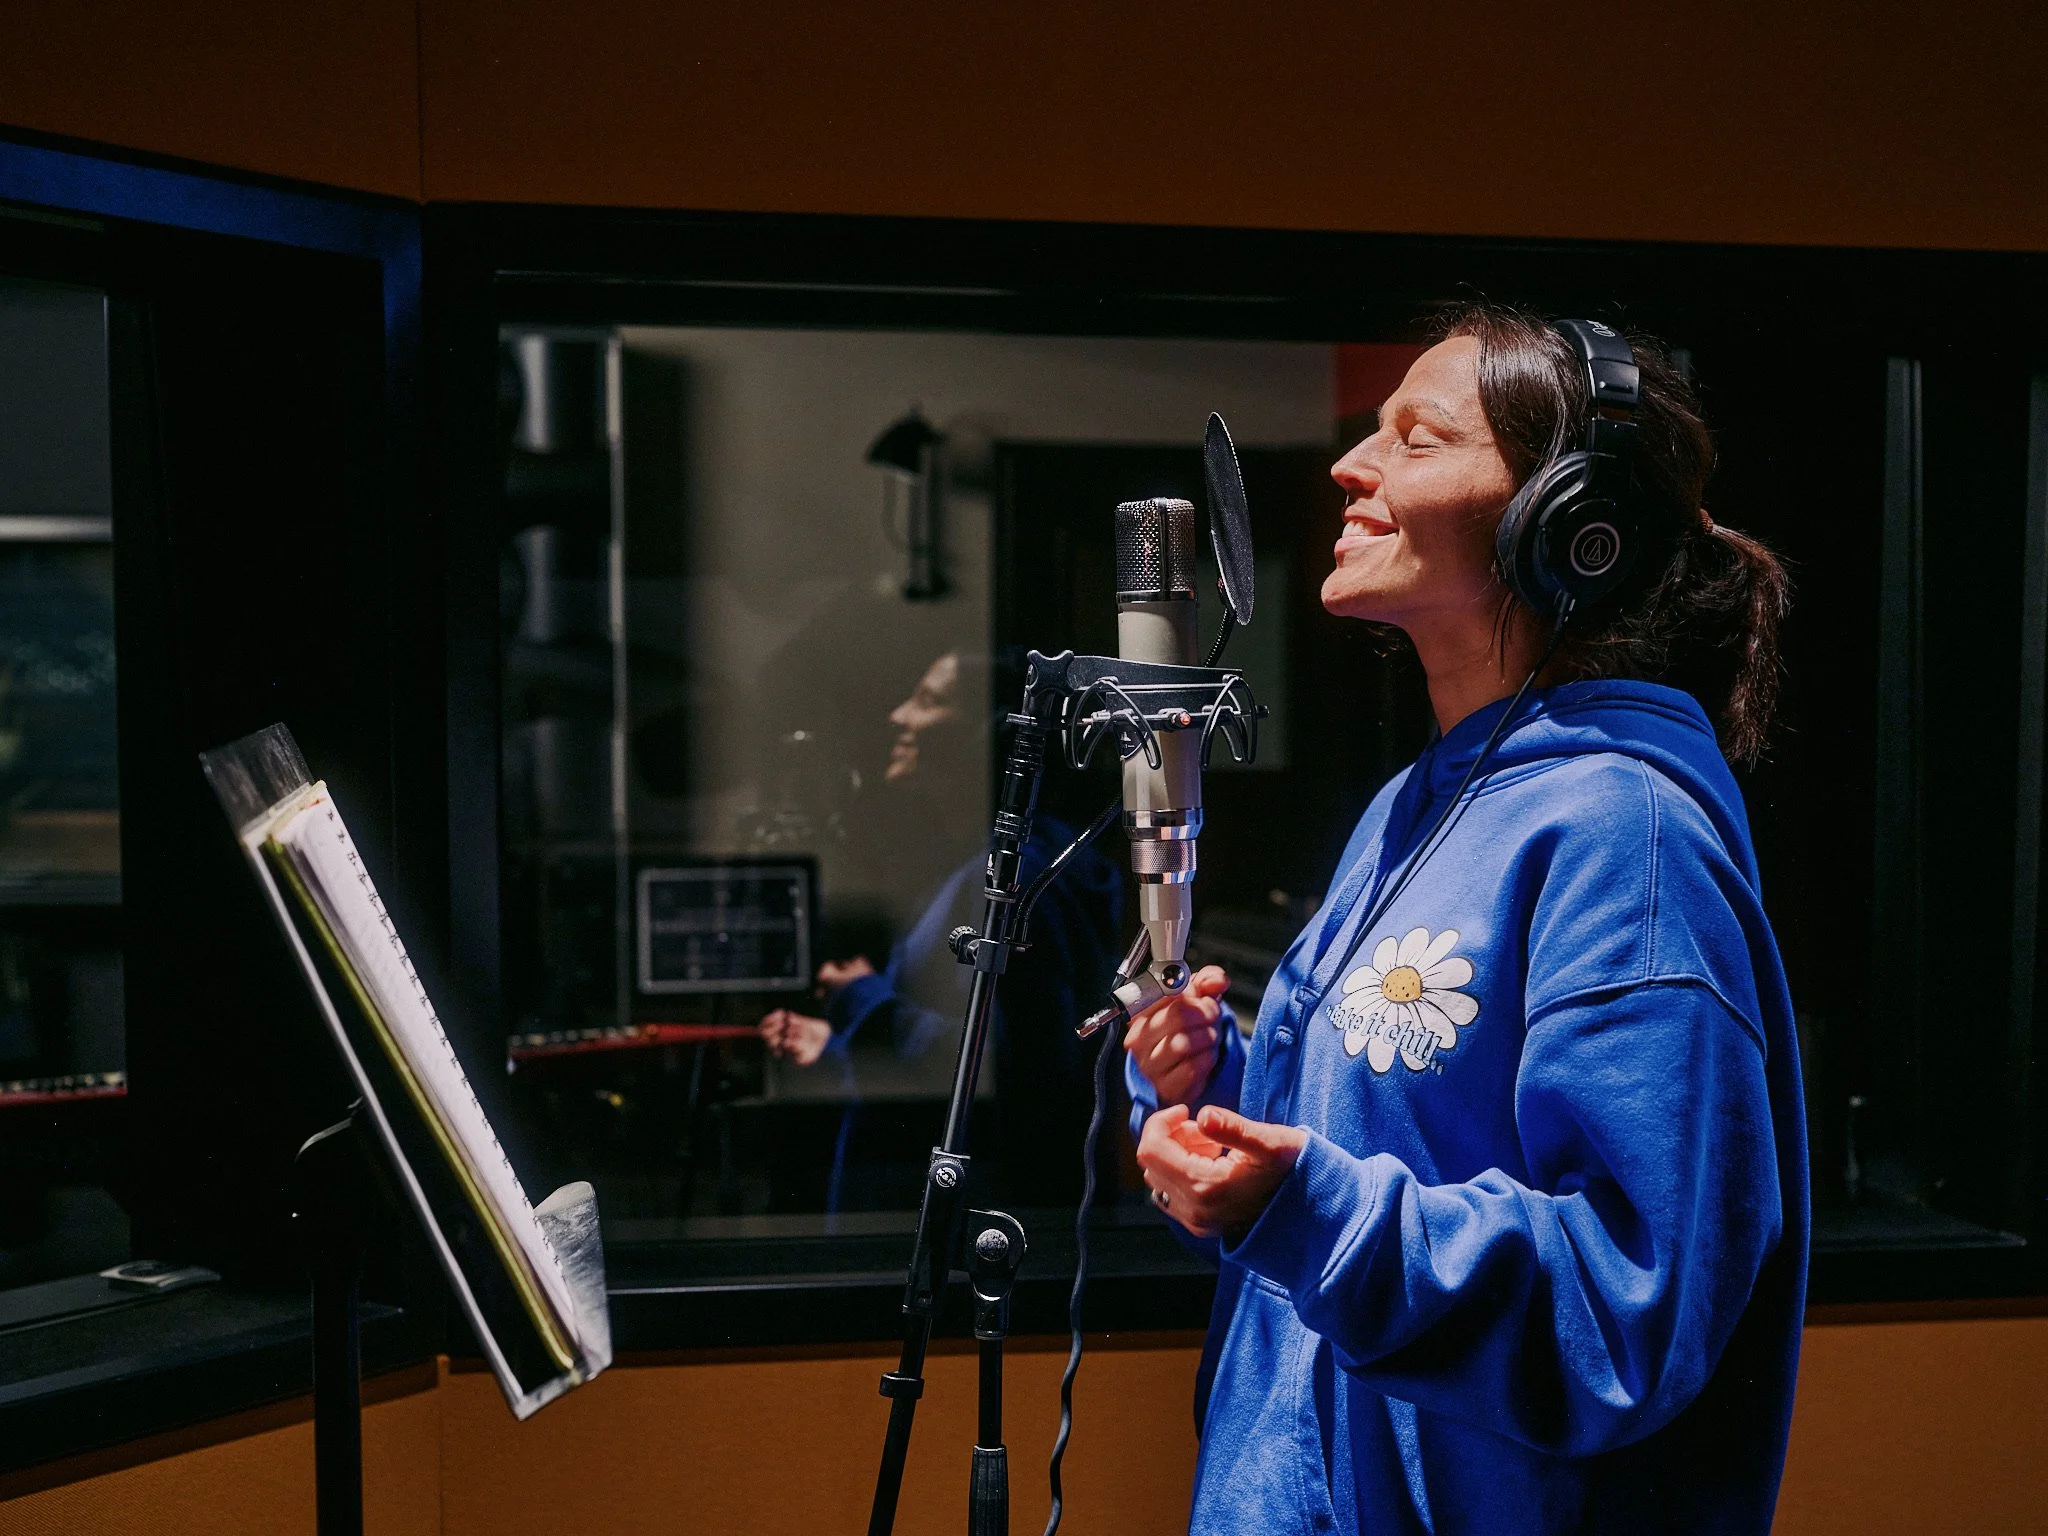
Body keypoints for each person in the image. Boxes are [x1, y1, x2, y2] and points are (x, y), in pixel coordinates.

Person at [1125, 305, 1806, 1533]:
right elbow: (1383, 1162)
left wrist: (1309, 1210)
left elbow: (1630, 1309)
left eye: (1416, 436)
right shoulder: (1415, 808)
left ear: (1564, 525)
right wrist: (1221, 1106)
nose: (1350, 464)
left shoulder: (1621, 837)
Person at [760, 650, 1123, 1210]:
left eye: (927, 701)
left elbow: (1014, 1072)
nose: (899, 716)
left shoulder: (1017, 878)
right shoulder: (987, 863)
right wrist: (835, 1042)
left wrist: (864, 1002)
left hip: (972, 1216)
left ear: (993, 731)